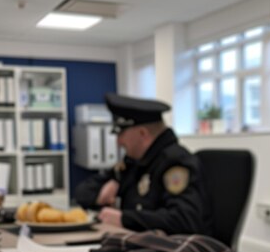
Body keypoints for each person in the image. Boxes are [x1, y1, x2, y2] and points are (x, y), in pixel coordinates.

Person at [75, 93, 213, 234]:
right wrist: (108, 187)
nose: (118, 142)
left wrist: (124, 219)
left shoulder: (175, 163)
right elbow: (82, 193)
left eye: (121, 134)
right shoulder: (134, 162)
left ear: (142, 133)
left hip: (171, 250)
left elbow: (185, 220)